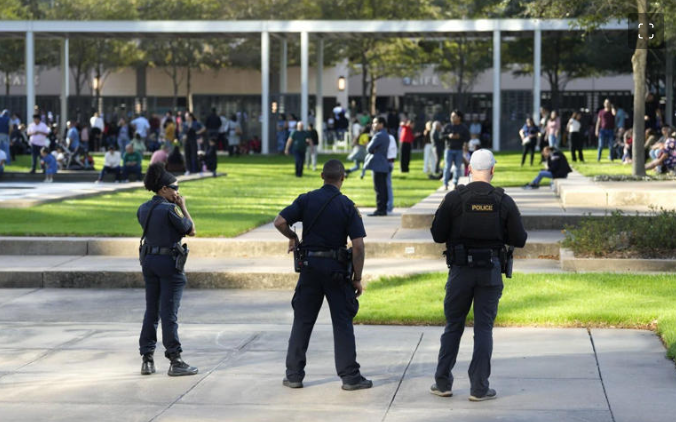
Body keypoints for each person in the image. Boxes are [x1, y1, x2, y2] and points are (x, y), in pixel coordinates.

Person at [430, 149, 527, 401]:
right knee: (483, 328)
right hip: (490, 272)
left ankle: (443, 384)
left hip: (461, 271)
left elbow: (438, 234)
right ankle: (479, 388)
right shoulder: (502, 200)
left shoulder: (454, 198)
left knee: (453, 326)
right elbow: (520, 238)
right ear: (493, 170)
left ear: (469, 169)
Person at [273, 159, 372, 391]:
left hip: (309, 268)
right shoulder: (347, 205)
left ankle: (294, 375)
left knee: (303, 320)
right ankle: (350, 377)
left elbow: (279, 221)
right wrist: (357, 277)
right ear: (343, 178)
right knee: (342, 322)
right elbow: (358, 246)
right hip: (337, 270)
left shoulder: (306, 199)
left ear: (321, 176)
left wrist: (293, 236)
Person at [138, 162, 198, 377]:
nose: (177, 192)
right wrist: (183, 207)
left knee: (151, 311)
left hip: (149, 262)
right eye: (175, 188)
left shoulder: (143, 208)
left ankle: (147, 358)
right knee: (168, 313)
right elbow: (191, 230)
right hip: (169, 264)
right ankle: (175, 359)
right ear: (163, 189)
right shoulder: (170, 209)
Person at [363, 117, 390, 216]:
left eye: (375, 123)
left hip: (378, 164)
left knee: (379, 188)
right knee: (383, 187)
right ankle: (383, 208)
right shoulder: (386, 134)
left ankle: (380, 209)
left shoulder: (378, 135)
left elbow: (369, 148)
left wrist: (371, 147)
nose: (373, 125)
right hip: (383, 163)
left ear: (381, 124)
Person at [442, 110, 470, 190]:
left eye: (454, 116)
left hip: (459, 150)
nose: (452, 118)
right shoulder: (447, 126)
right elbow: (441, 136)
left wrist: (459, 137)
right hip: (449, 149)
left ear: (459, 118)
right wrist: (448, 136)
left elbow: (468, 137)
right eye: (451, 116)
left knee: (458, 167)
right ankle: (445, 184)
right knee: (447, 167)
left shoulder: (463, 127)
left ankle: (455, 183)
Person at [386, 132, 398, 214]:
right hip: (387, 162)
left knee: (387, 185)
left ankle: (389, 206)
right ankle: (388, 205)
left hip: (388, 162)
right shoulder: (390, 137)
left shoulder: (389, 138)